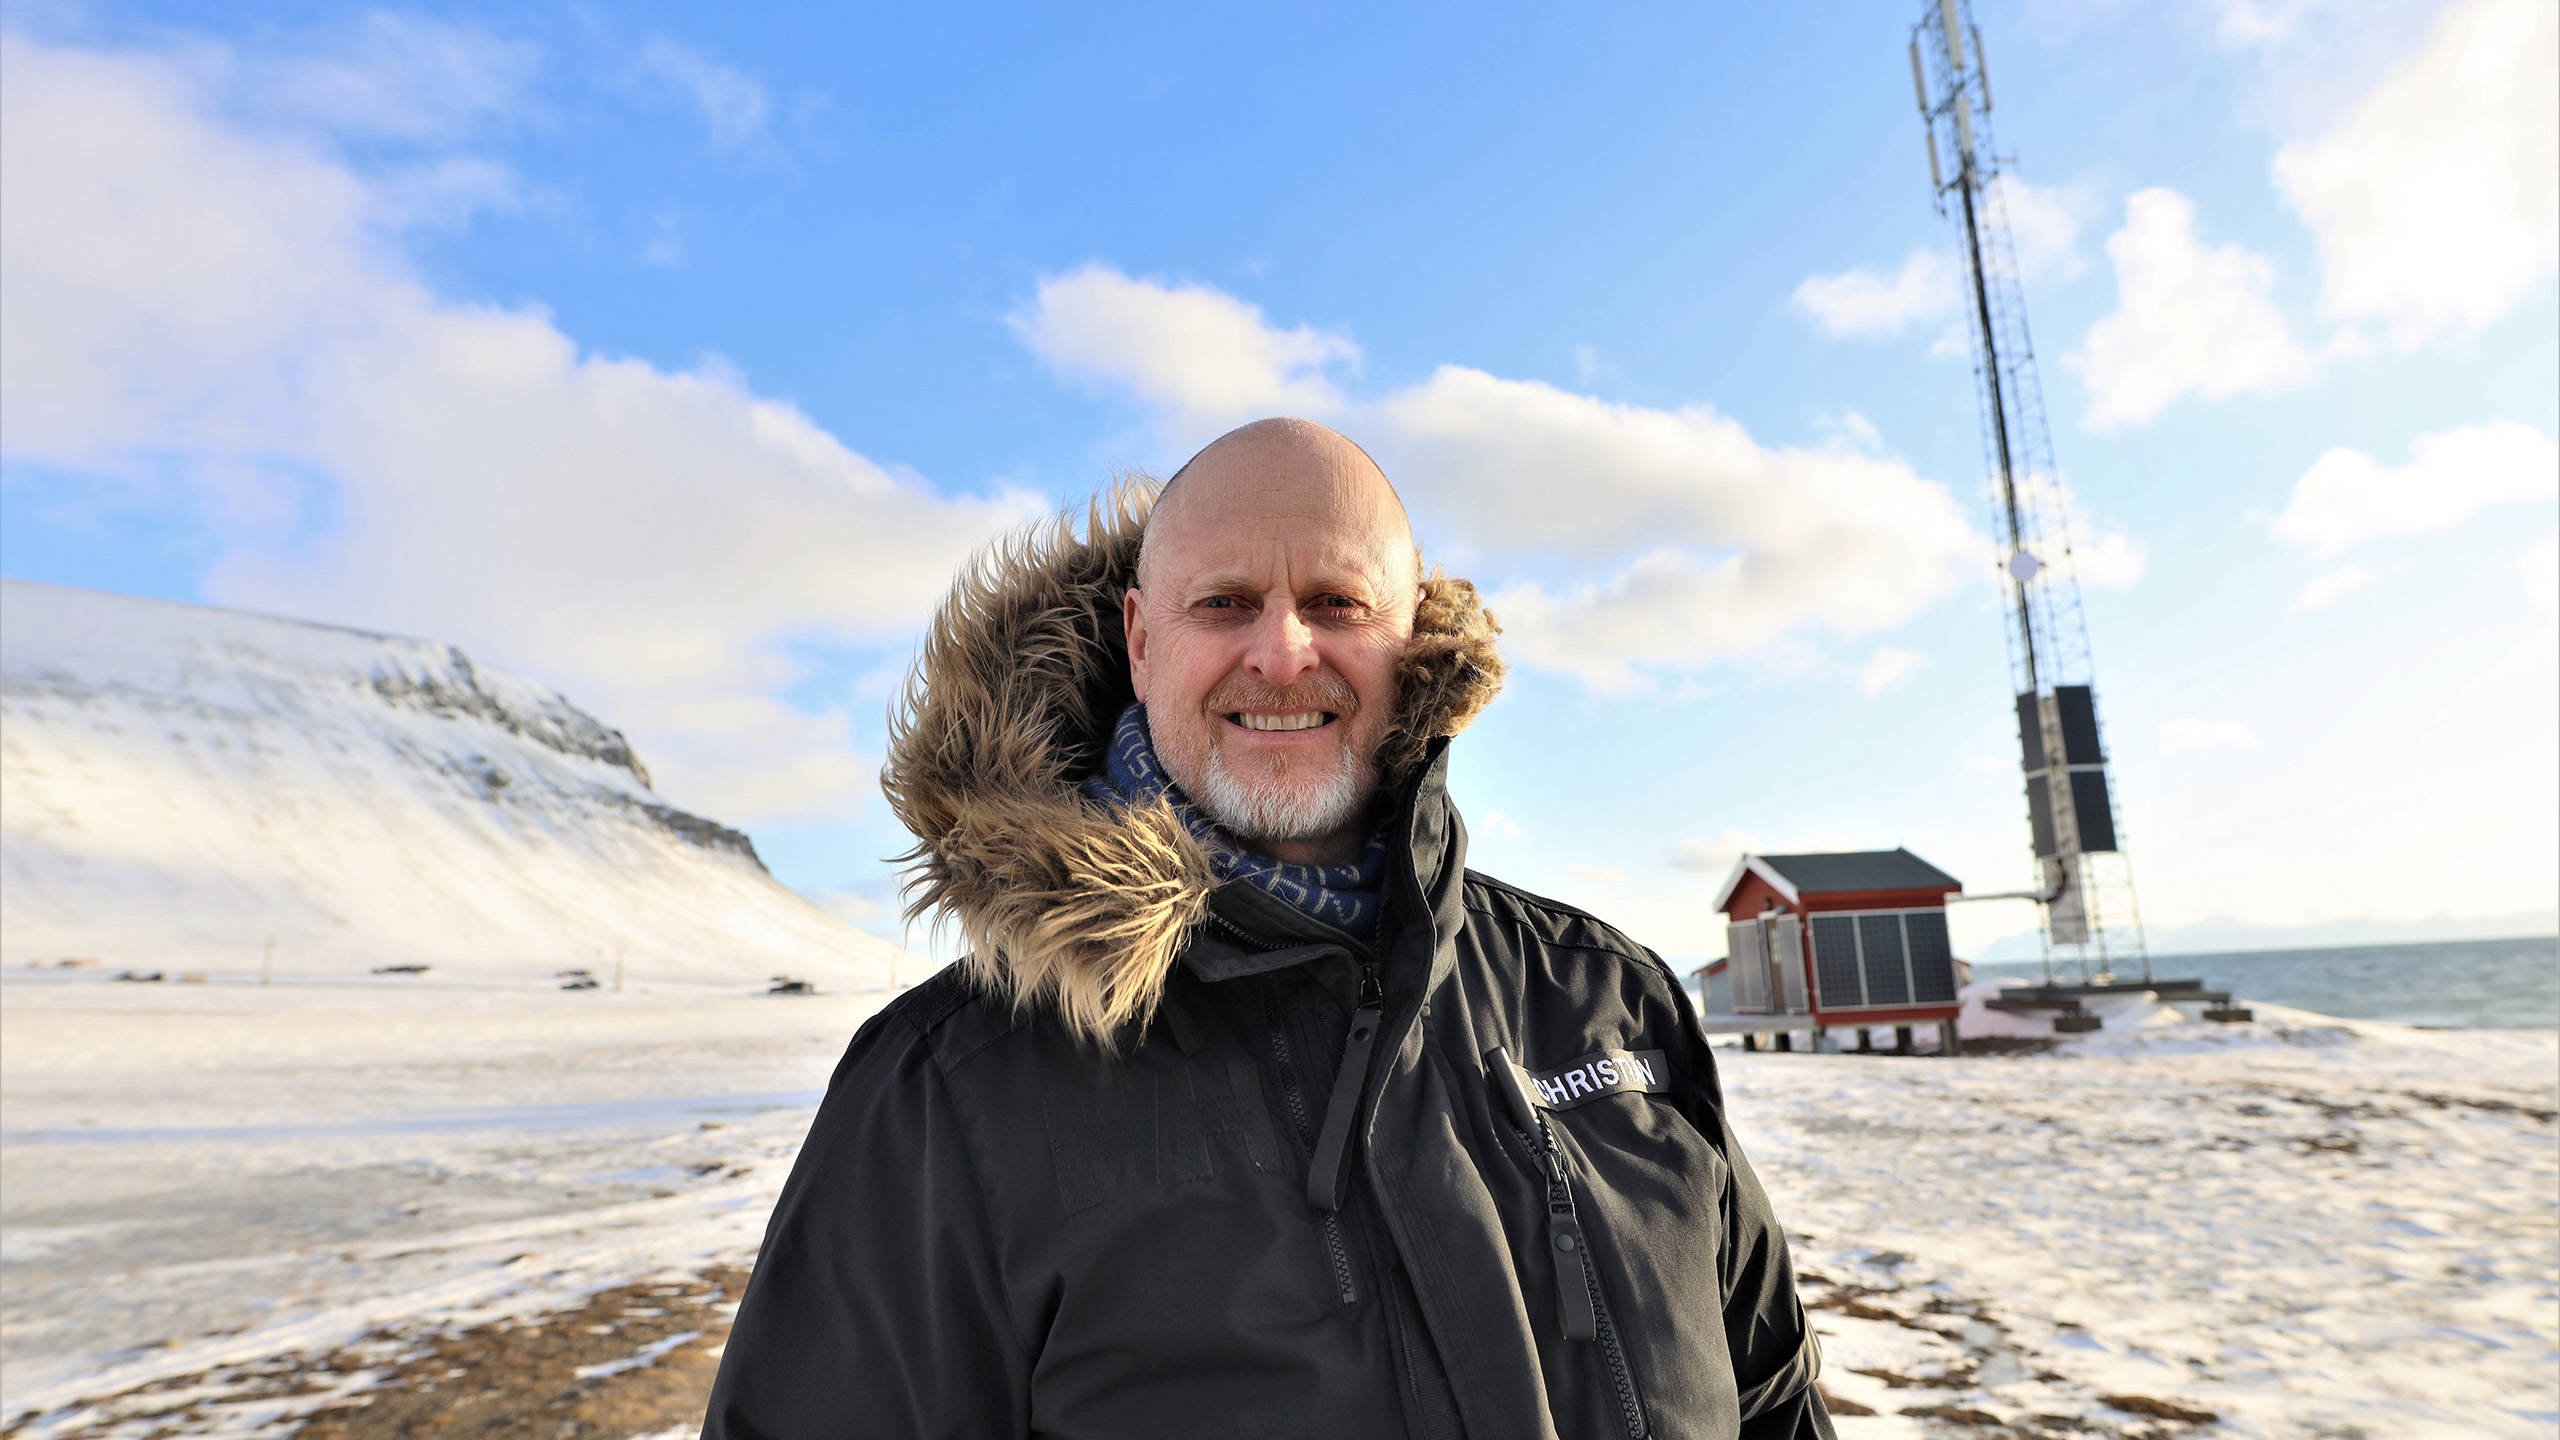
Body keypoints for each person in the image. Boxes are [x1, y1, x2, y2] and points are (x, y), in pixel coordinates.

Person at [701, 418, 1834, 1439]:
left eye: (1339, 604)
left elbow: (1773, 1398)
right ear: (1141, 643)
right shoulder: (947, 1092)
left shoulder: (1604, 1000)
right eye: (1225, 601)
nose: (1284, 652)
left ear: (1412, 638)